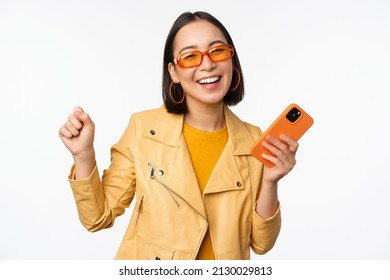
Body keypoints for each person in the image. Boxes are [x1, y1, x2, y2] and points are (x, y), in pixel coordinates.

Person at [59, 11, 299, 260]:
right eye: (190, 56)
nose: (207, 64)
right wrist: (84, 155)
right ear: (173, 72)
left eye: (217, 51)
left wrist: (271, 181)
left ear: (231, 60)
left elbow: (261, 244)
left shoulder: (253, 139)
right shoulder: (143, 129)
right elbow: (97, 218)